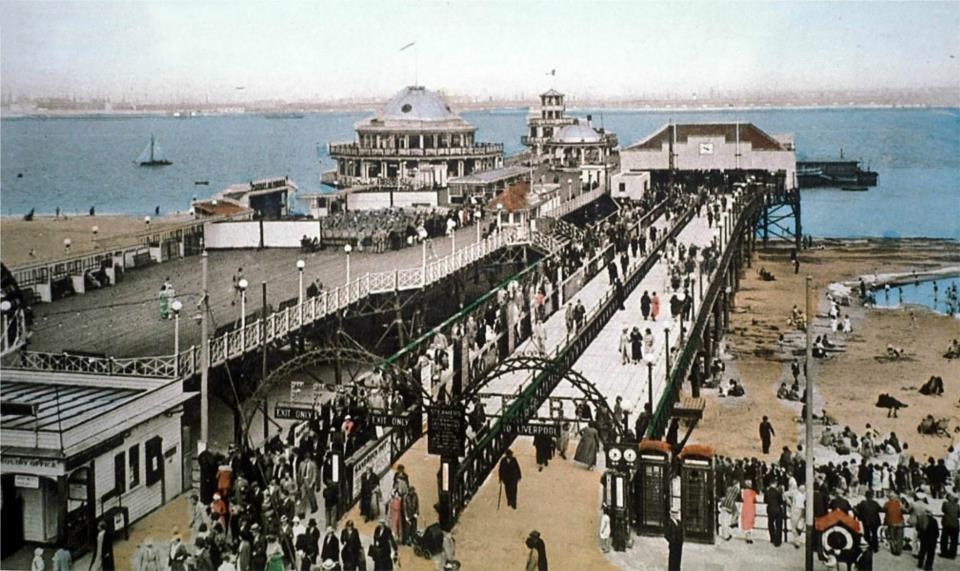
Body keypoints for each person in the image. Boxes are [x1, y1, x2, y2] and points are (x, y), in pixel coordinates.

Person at [766, 481, 785, 547]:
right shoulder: (778, 492)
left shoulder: (767, 492)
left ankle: (772, 538)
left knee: (770, 523)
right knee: (778, 526)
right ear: (774, 484)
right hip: (777, 509)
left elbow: (765, 500)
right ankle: (777, 542)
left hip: (770, 509)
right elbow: (781, 501)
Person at [942, 493, 959, 559]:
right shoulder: (957, 506)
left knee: (944, 539)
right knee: (954, 540)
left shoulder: (945, 504)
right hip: (955, 524)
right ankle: (952, 554)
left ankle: (944, 553)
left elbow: (943, 510)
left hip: (946, 523)